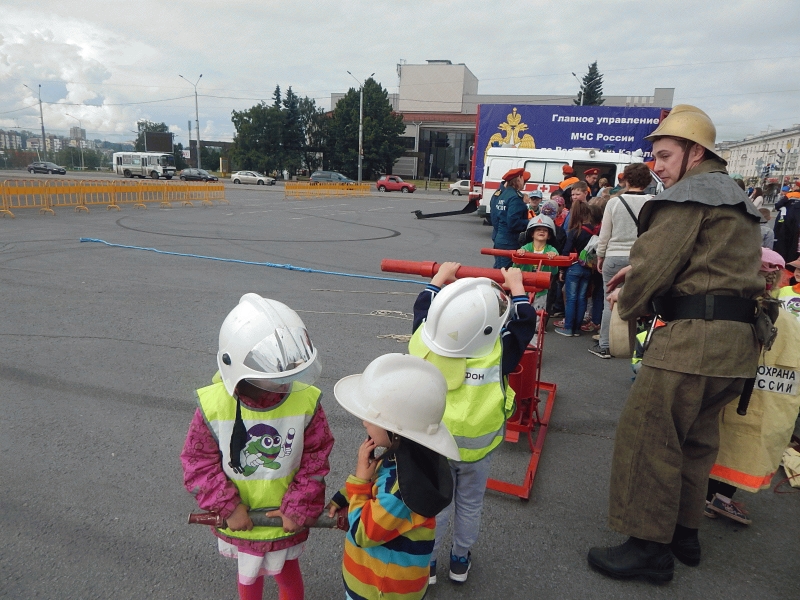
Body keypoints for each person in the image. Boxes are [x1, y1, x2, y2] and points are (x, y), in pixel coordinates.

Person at [587, 105, 764, 583]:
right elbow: (710, 264)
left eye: (665, 156)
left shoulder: (688, 196)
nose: (657, 167)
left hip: (691, 343)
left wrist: (629, 300)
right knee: (696, 443)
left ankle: (648, 549)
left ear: (695, 153)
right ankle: (684, 536)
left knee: (650, 439)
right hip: (735, 347)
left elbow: (655, 264)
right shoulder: (734, 196)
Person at [181, 294, 335, 600]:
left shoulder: (305, 401)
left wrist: (298, 505)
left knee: (287, 574)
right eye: (273, 377)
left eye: (289, 372)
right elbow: (198, 462)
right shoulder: (214, 406)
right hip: (242, 518)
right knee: (248, 577)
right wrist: (227, 506)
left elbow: (316, 459)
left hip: (284, 518)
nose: (285, 384)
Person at [408, 265, 536, 586]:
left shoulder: (425, 343)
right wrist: (517, 287)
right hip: (478, 449)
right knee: (470, 505)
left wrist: (439, 278)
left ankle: (428, 563)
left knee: (436, 507)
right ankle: (460, 560)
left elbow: (423, 308)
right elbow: (524, 323)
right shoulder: (500, 352)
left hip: (436, 446)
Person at [326, 353, 460, 600]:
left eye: (371, 418)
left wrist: (359, 482)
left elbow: (362, 532)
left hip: (378, 592)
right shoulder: (409, 460)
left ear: (396, 430)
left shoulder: (401, 492)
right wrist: (344, 496)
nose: (364, 423)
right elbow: (377, 481)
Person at [705, 249, 800, 524]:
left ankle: (707, 495)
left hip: (725, 393)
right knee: (742, 448)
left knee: (715, 443)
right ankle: (719, 498)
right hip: (763, 402)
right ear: (779, 278)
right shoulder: (787, 321)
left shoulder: (730, 308)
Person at [589, 162, 653, 359]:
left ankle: (605, 345)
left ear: (626, 180)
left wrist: (600, 255)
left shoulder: (614, 203)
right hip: (641, 258)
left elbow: (605, 234)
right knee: (641, 301)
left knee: (609, 300)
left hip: (614, 256)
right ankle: (639, 346)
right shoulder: (653, 202)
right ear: (647, 181)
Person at [553, 201, 598, 337]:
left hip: (573, 266)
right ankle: (577, 328)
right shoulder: (593, 231)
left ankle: (568, 327)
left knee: (571, 298)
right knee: (582, 298)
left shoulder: (574, 232)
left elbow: (566, 252)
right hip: (588, 267)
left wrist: (562, 270)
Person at [516, 214, 560, 311]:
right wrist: (519, 256)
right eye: (538, 229)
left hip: (541, 290)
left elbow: (554, 271)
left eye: (545, 230)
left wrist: (553, 259)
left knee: (538, 314)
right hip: (524, 287)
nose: (541, 231)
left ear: (549, 235)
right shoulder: (525, 248)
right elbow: (515, 267)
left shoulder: (552, 250)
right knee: (521, 312)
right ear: (532, 234)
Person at [491, 168, 531, 268]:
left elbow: (496, 217)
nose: (523, 183)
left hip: (500, 238)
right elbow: (514, 222)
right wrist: (530, 222)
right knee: (505, 271)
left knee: (498, 269)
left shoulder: (503, 194)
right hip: (509, 241)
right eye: (523, 179)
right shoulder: (515, 197)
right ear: (518, 179)